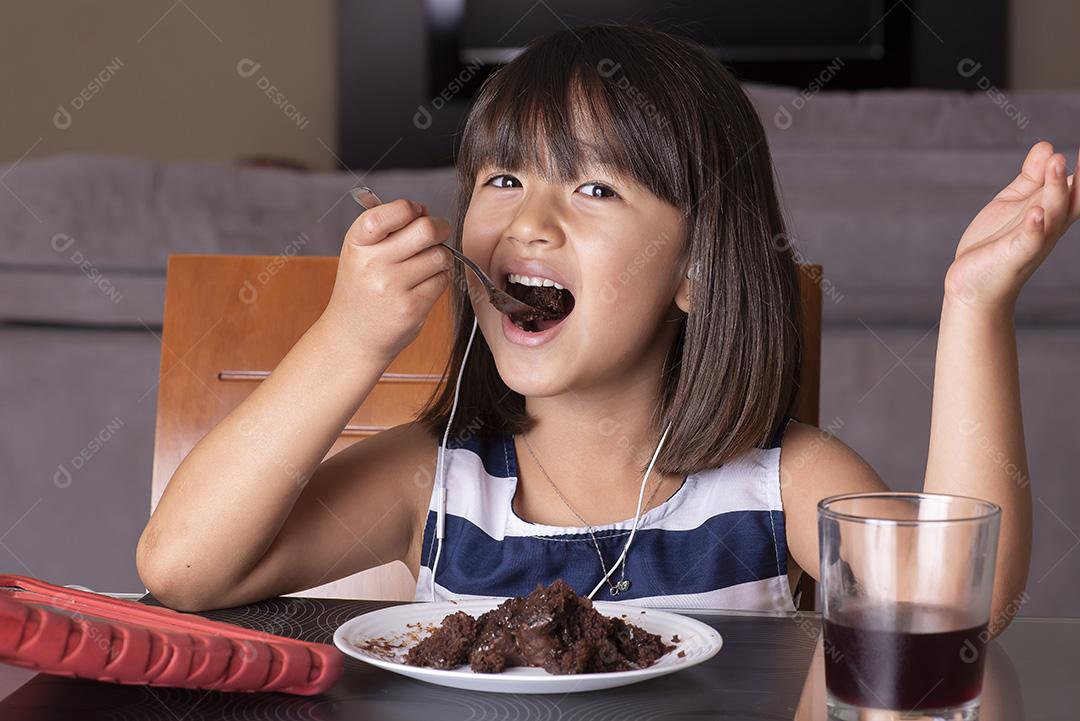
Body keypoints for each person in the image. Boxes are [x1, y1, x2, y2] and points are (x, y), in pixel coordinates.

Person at [138, 25, 1070, 636]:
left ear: (698, 273)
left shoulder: (779, 481)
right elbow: (181, 569)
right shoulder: (438, 480)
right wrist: (350, 339)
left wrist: (974, 307)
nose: (527, 220)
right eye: (501, 179)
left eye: (592, 188)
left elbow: (960, 607)